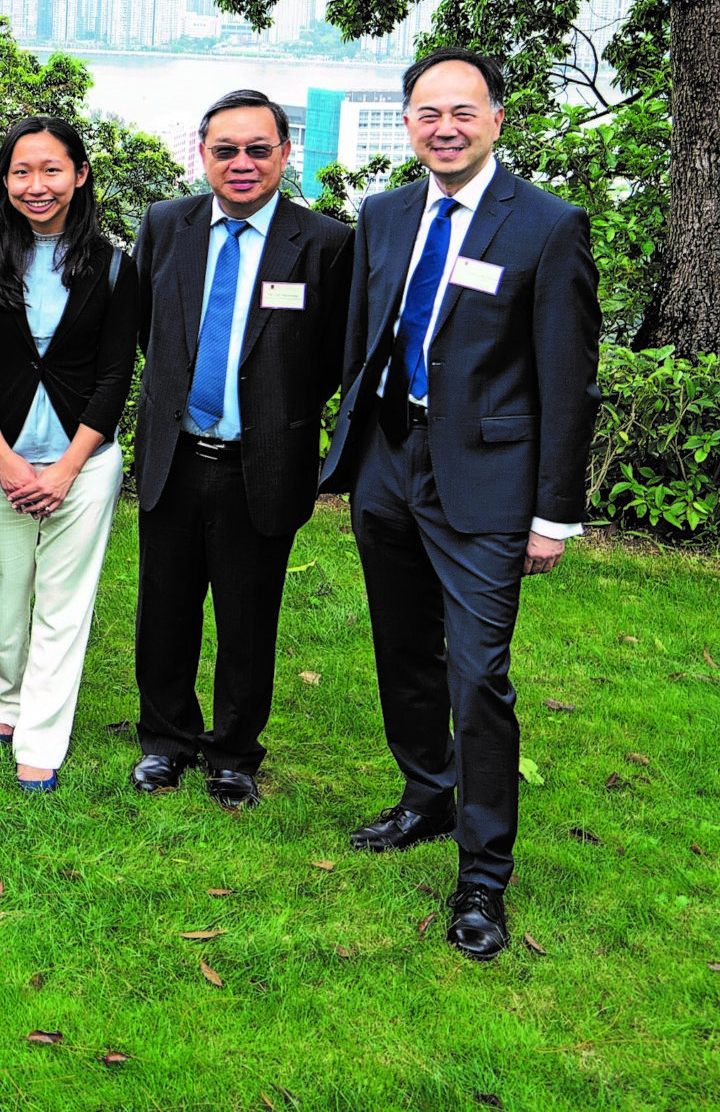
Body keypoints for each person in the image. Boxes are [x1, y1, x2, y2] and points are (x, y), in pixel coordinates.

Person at [319, 49, 598, 961]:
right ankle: (425, 794)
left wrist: (554, 513)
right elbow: (370, 335)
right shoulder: (387, 210)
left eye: (462, 111)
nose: (444, 126)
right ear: (406, 121)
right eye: (427, 111)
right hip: (389, 465)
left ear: (496, 120)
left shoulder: (548, 227)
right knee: (402, 649)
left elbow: (567, 378)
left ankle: (483, 875)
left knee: (479, 674)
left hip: (486, 482)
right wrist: (356, 449)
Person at [128, 91, 353, 810]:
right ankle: (165, 741)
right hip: (176, 452)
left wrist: (275, 409)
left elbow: (331, 357)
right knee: (164, 608)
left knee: (248, 617)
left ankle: (232, 754)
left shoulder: (324, 242)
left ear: (286, 153)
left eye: (258, 148)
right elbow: (147, 327)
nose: (242, 163)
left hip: (264, 461)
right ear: (204, 155)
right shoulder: (167, 224)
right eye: (226, 149)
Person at [0, 117, 142, 794]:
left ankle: (40, 738)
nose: (38, 185)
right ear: (4, 181)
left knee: (65, 603)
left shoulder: (115, 266)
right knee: (2, 599)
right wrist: (3, 458)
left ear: (80, 174)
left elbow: (115, 374)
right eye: (22, 171)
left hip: (84, 465)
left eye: (52, 169)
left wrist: (67, 467)